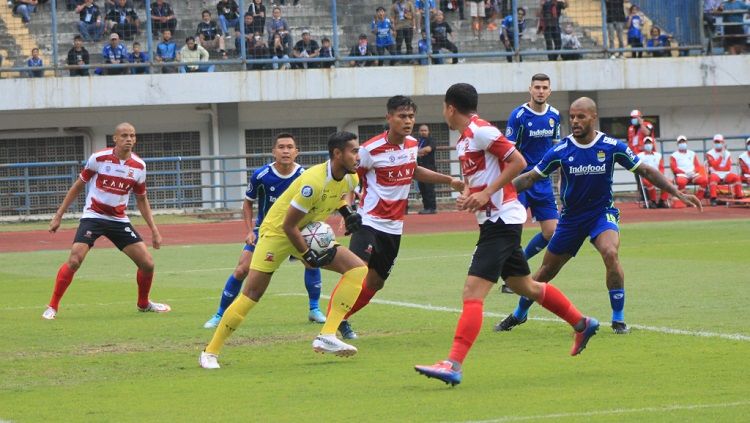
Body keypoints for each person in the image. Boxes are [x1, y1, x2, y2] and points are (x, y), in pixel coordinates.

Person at [413, 84, 600, 387]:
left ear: (450, 108)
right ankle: (582, 322)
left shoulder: (481, 131)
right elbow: (485, 175)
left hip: (502, 221)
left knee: (472, 293)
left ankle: (453, 364)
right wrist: (470, 195)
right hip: (494, 220)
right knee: (525, 285)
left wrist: (486, 192)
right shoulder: (465, 140)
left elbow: (519, 162)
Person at [495, 97, 702, 337]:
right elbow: (531, 177)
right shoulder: (561, 149)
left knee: (611, 253)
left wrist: (676, 191)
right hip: (571, 219)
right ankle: (520, 314)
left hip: (601, 214)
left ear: (593, 117)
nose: (574, 121)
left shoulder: (612, 146)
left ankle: (618, 319)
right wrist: (496, 192)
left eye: (580, 116)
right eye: (572, 116)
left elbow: (644, 169)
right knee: (545, 273)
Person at [199, 131, 367, 369]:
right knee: (251, 294)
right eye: (354, 151)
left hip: (305, 231)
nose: (358, 156)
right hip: (277, 233)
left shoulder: (351, 178)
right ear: (337, 154)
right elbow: (288, 225)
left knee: (358, 270)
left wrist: (347, 213)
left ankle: (328, 335)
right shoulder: (314, 181)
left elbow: (338, 196)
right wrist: (307, 255)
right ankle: (210, 352)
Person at [335, 96, 464, 340]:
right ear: (389, 118)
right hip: (368, 221)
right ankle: (330, 326)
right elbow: (350, 177)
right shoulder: (370, 150)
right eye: (402, 116)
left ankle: (342, 318)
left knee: (375, 282)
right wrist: (347, 209)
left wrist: (449, 180)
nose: (408, 121)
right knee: (357, 271)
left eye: (411, 117)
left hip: (394, 227)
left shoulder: (413, 144)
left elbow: (413, 170)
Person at [42, 122, 169, 320]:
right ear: (115, 138)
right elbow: (78, 185)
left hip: (118, 220)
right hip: (94, 216)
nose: (129, 139)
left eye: (132, 136)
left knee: (148, 264)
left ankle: (144, 304)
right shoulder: (99, 158)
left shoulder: (139, 166)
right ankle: (52, 306)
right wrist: (59, 214)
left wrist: (154, 229)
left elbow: (142, 199)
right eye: (124, 135)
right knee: (75, 259)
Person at [203, 134, 328, 328]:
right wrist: (249, 231)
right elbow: (247, 203)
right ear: (273, 152)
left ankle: (314, 309)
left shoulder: (305, 176)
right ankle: (220, 314)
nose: (285, 151)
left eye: (289, 147)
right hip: (266, 232)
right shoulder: (261, 175)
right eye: (281, 147)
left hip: (295, 230)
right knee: (242, 269)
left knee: (312, 262)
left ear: (297, 152)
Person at [495, 73, 560, 297]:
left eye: (544, 87)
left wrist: (560, 177)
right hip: (521, 181)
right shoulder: (519, 115)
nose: (541, 91)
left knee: (552, 232)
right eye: (537, 87)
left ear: (549, 91)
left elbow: (555, 150)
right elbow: (507, 151)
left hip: (543, 182)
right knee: (513, 231)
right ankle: (511, 279)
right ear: (530, 90)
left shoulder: (554, 116)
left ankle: (519, 264)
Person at [670, 135, 709, 204]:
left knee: (704, 180)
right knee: (681, 182)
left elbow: (697, 166)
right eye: (680, 142)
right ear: (677, 144)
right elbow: (674, 168)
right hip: (682, 175)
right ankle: (685, 200)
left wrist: (693, 172)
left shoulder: (692, 153)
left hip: (693, 174)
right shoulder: (674, 155)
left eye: (683, 142)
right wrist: (683, 172)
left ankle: (698, 199)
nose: (682, 144)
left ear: (686, 142)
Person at [706, 134, 744, 202]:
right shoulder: (709, 153)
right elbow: (714, 166)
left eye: (719, 142)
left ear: (722, 142)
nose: (718, 144)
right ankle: (713, 198)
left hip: (726, 173)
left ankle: (739, 197)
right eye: (716, 142)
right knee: (712, 178)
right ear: (714, 143)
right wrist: (721, 157)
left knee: (736, 177)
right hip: (715, 173)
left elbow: (728, 167)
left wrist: (720, 167)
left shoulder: (727, 153)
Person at [636, 137, 670, 208]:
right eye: (646, 143)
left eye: (649, 143)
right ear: (644, 145)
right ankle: (653, 201)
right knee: (649, 182)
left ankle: (662, 201)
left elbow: (661, 168)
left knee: (667, 182)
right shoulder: (639, 156)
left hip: (657, 176)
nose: (648, 145)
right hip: (646, 176)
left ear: (652, 144)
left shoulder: (658, 155)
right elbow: (638, 168)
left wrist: (660, 176)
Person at [416, 124, 437, 214]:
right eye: (421, 130)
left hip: (429, 167)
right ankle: (426, 207)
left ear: (428, 131)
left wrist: (417, 152)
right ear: (419, 132)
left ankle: (432, 208)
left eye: (425, 130)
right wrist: (419, 152)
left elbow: (428, 149)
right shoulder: (418, 141)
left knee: (429, 188)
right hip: (419, 168)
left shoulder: (431, 140)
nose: (423, 132)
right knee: (422, 188)